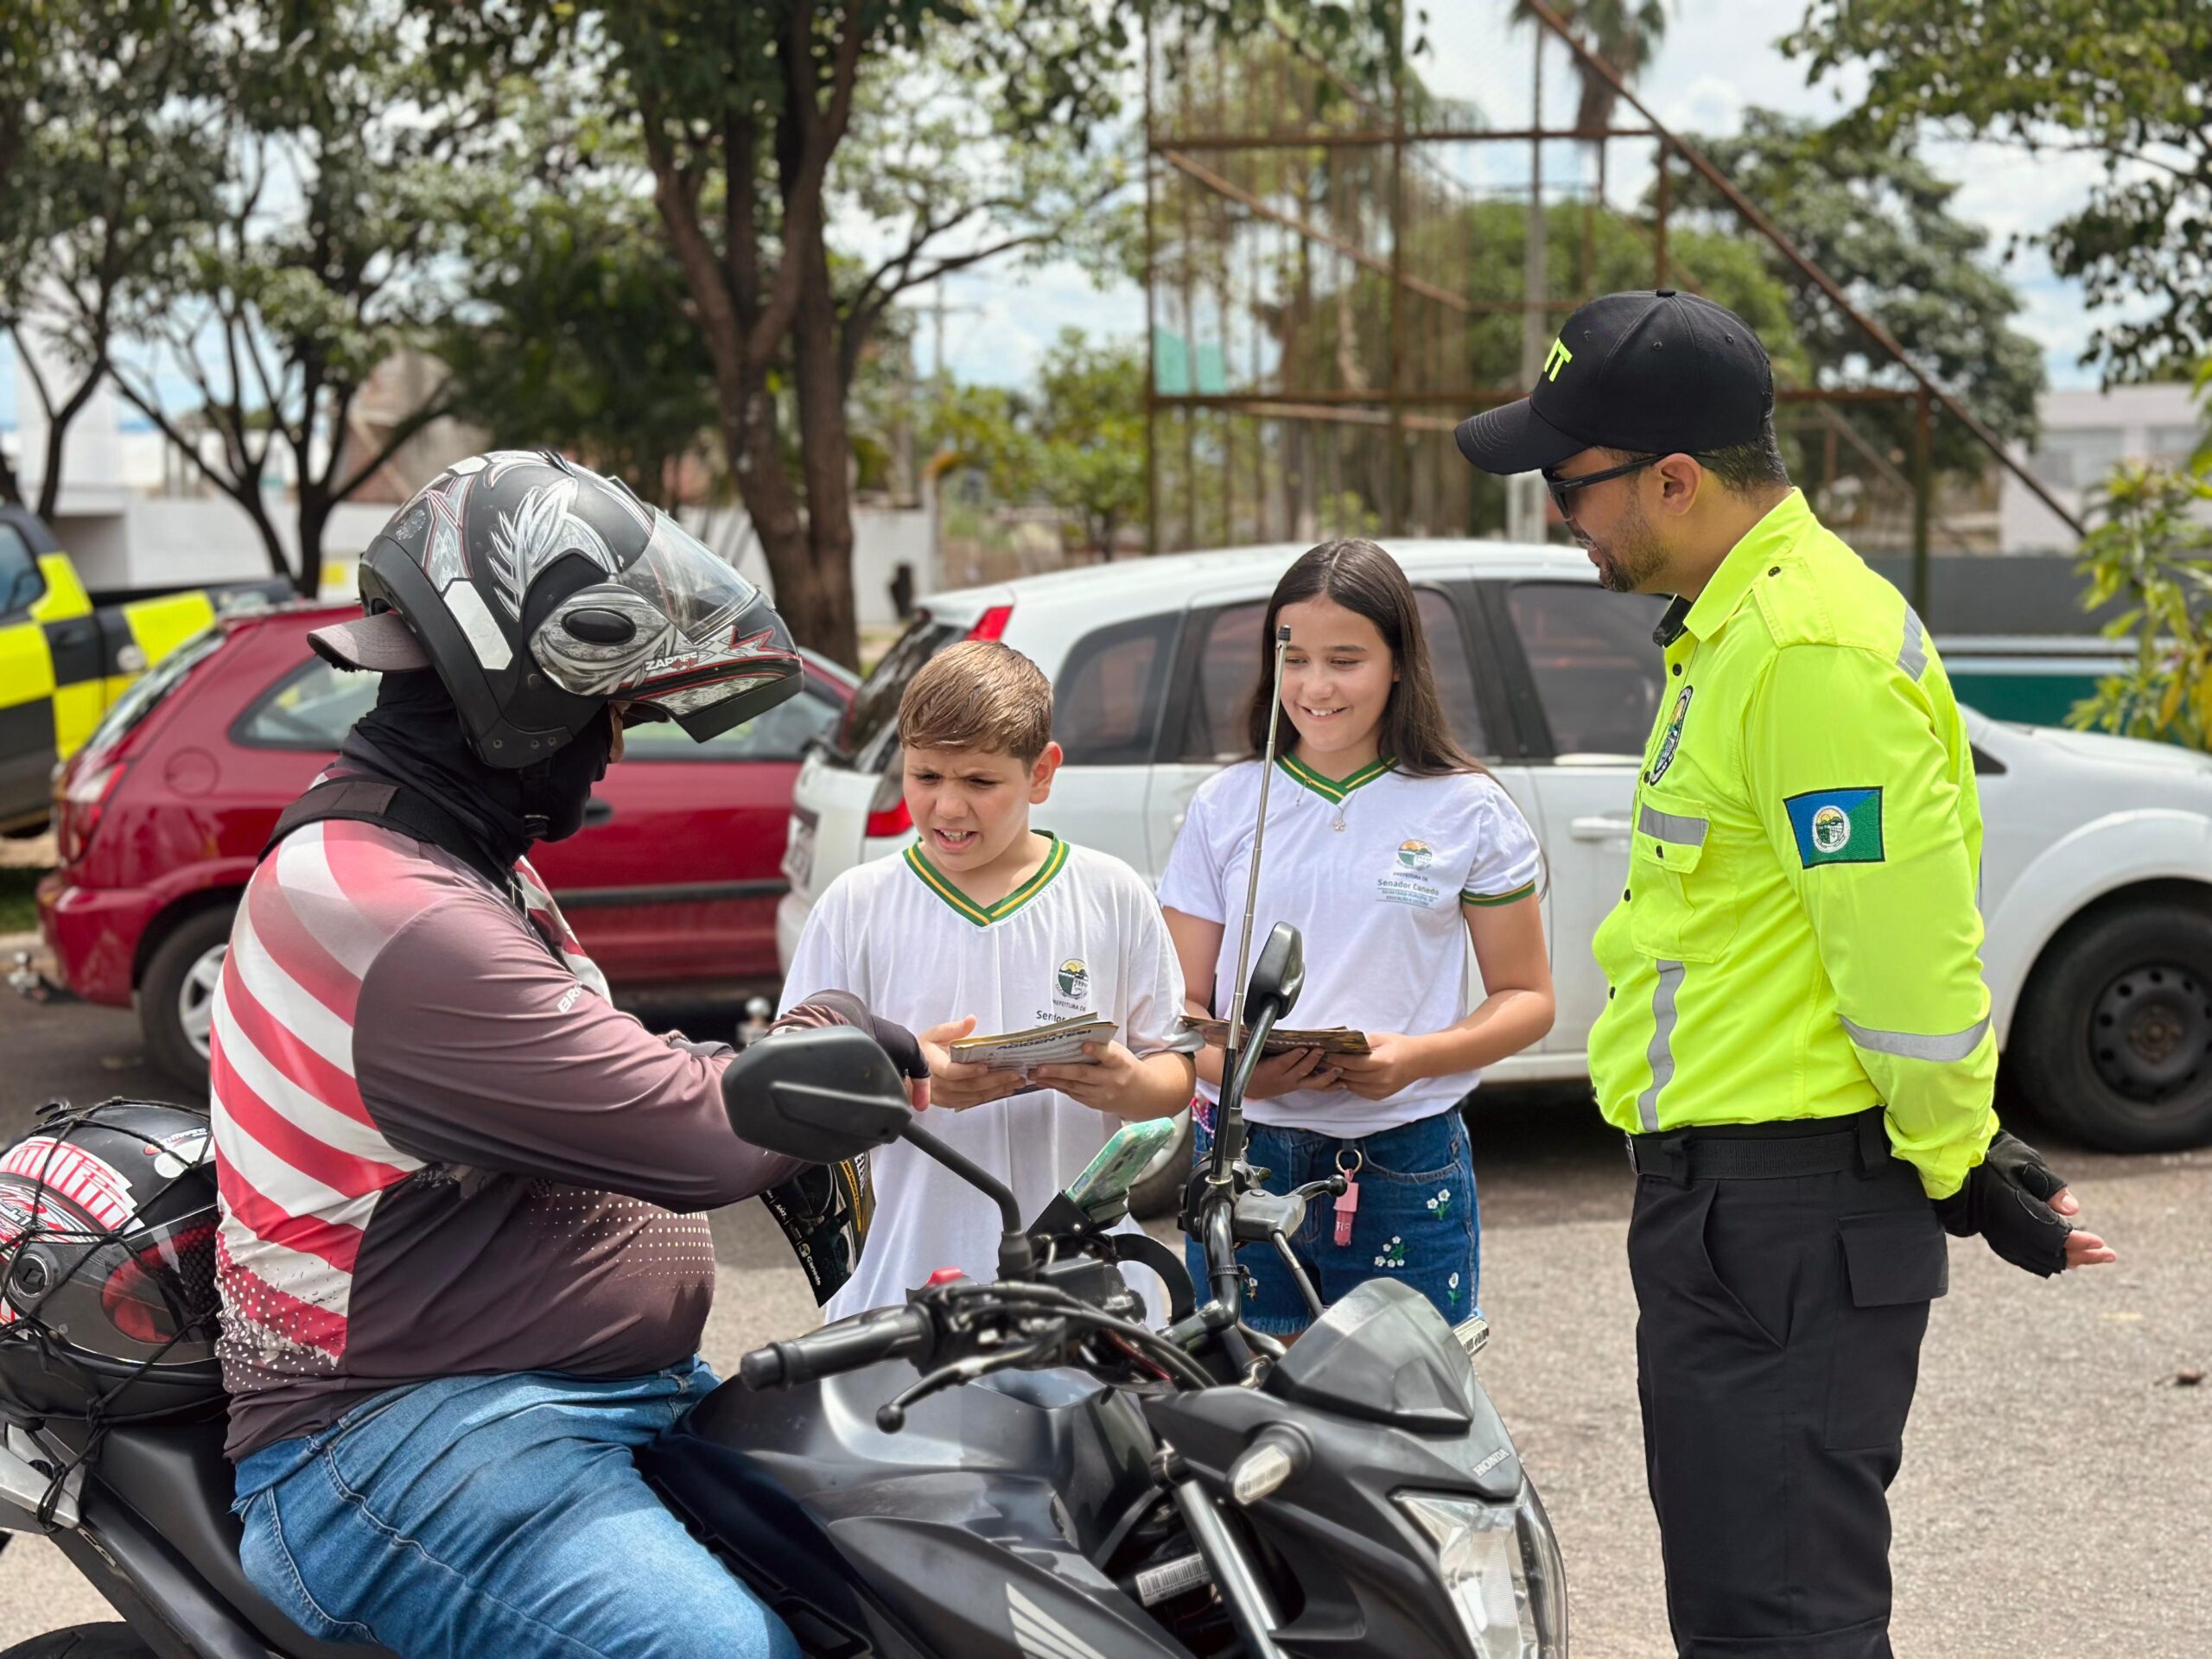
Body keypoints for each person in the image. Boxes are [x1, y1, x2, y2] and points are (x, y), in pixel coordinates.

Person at [1456, 290, 2117, 1658]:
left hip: (1787, 1215)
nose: (1559, 518)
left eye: (1570, 487)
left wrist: (1959, 1157)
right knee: (1745, 1606)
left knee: (1783, 1619)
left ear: (1677, 481)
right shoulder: (1739, 628)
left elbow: (1905, 964)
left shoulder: (1806, 652)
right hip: (1738, 1214)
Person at [213, 450, 906, 1659]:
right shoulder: (394, 910)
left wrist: (787, 1049)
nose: (614, 751)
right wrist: (862, 1049)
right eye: (612, 710)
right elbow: (690, 1133)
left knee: (908, 1563)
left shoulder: (449, 860)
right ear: (517, 694)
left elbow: (598, 1073)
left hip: (571, 1400)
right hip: (397, 1437)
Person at [1156, 539, 1556, 1334]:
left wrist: (1417, 1058)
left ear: (1399, 661)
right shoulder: (1225, 804)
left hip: (1408, 1162)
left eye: (1346, 659)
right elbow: (1174, 1008)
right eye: (1294, 658)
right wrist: (1236, 1074)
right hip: (1244, 1156)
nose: (1315, 686)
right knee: (1246, 1412)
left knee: (1402, 1418)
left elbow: (1527, 998)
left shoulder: (1468, 808)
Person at [779, 640, 1198, 1321]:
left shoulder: (1111, 892)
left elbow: (1175, 1073)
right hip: (907, 1281)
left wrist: (1131, 1086)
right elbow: (793, 1094)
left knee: (1084, 1427)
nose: (948, 807)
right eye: (926, 776)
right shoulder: (857, 903)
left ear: (1042, 773)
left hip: (1084, 1283)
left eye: (979, 782)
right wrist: (905, 1079)